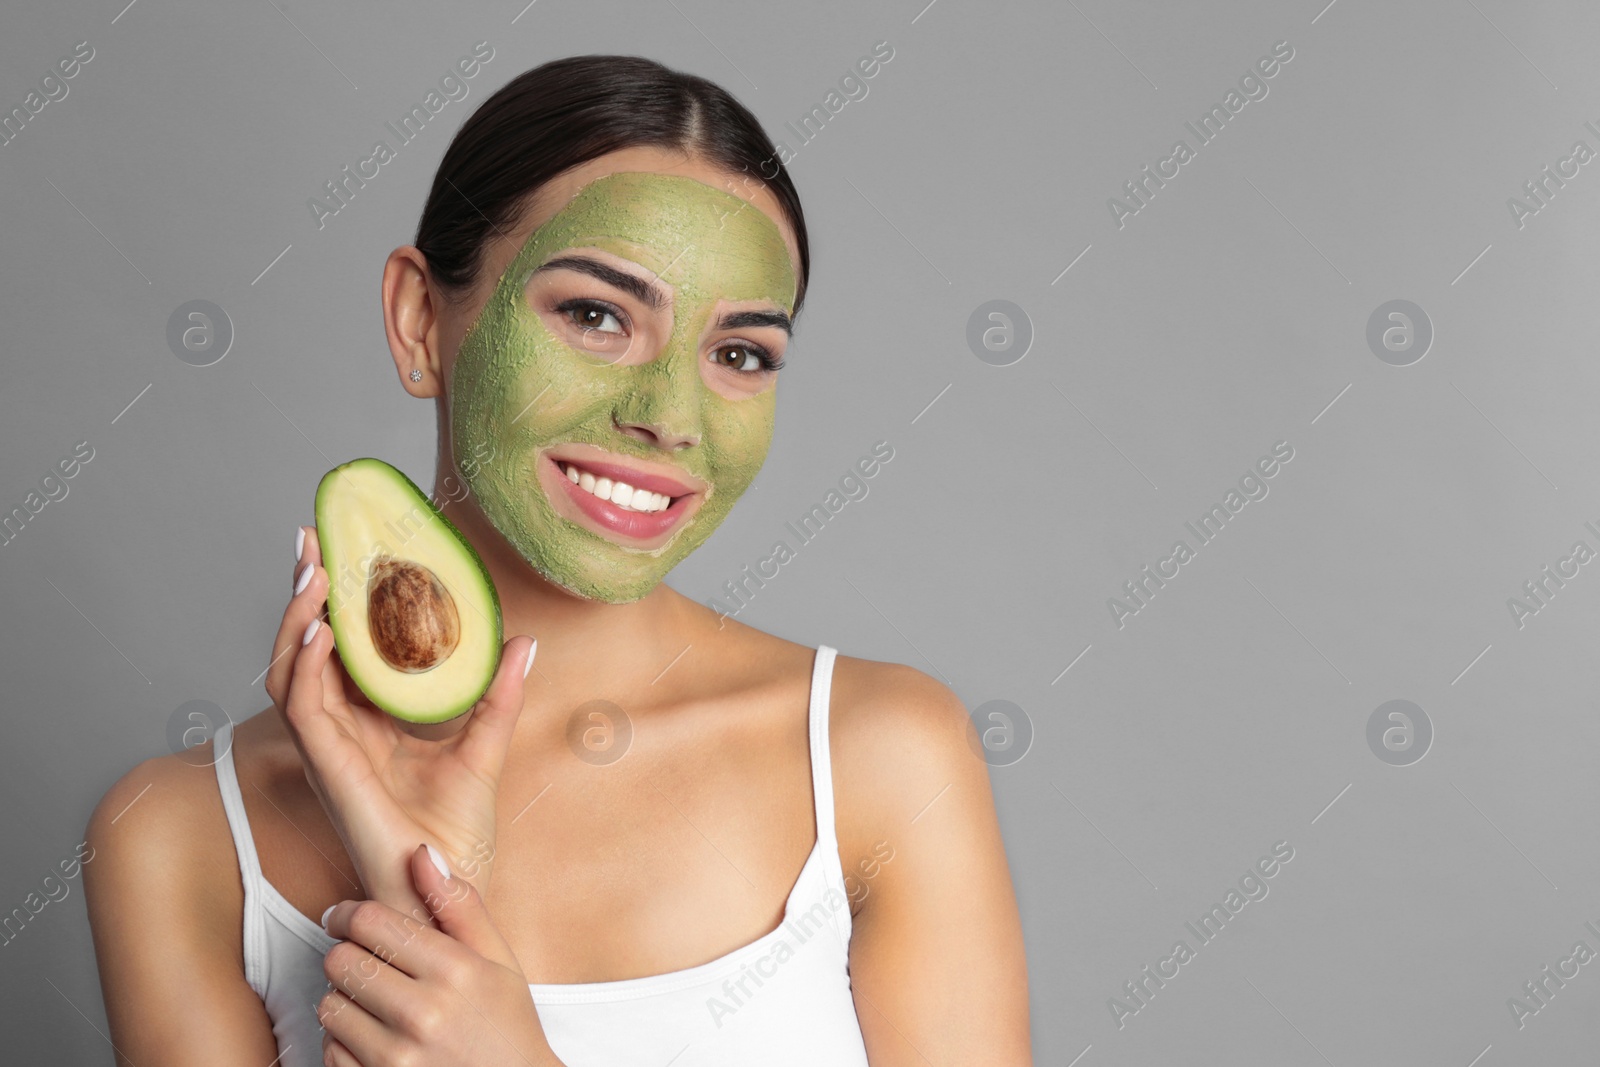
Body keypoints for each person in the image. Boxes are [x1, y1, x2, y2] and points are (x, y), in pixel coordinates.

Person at [83, 53, 1031, 1066]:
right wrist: (427, 888)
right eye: (595, 315)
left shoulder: (884, 755)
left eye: (740, 353)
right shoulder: (178, 836)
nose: (669, 417)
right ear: (419, 323)